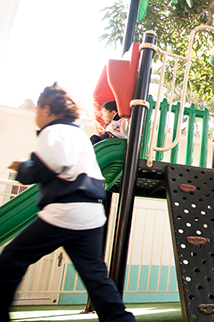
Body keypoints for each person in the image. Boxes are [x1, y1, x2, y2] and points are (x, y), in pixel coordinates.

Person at [0, 83, 136, 322]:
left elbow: (49, 166)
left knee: (13, 257)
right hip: (91, 214)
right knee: (95, 276)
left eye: (38, 110)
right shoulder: (79, 135)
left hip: (64, 211)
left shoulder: (53, 131)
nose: (37, 116)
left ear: (47, 110)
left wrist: (23, 167)